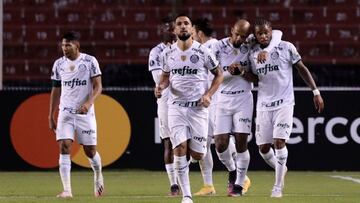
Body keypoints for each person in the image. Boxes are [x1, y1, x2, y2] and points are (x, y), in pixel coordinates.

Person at [241, 18, 324, 198]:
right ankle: (282, 167)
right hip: (264, 104)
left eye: (266, 32)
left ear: (271, 31)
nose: (263, 36)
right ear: (255, 35)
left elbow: (301, 68)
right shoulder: (252, 52)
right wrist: (241, 72)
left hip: (285, 102)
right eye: (259, 33)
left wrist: (315, 91)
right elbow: (256, 79)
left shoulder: (286, 47)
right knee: (263, 148)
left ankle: (277, 187)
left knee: (279, 143)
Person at [155, 14, 223, 203]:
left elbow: (219, 75)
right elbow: (165, 77)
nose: (183, 27)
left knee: (197, 154)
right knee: (179, 148)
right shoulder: (167, 54)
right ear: (174, 30)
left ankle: (191, 162)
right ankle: (186, 195)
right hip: (176, 108)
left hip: (198, 109)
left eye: (186, 24)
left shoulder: (202, 52)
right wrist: (160, 86)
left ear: (192, 29)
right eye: (179, 24)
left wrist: (208, 94)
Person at [212, 19, 283, 196]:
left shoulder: (250, 44)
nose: (240, 39)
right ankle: (232, 169)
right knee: (220, 145)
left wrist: (243, 72)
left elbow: (278, 34)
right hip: (222, 100)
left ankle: (238, 185)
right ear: (231, 30)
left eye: (243, 36)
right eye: (237, 34)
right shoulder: (218, 47)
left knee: (242, 142)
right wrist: (230, 72)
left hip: (243, 100)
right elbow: (213, 73)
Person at [48, 31, 104, 198]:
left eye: (68, 45)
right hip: (65, 112)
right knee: (64, 145)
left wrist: (88, 103)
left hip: (84, 114)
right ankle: (67, 191)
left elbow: (98, 86)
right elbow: (56, 89)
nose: (64, 48)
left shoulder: (89, 61)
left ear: (77, 45)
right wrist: (50, 114)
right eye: (63, 45)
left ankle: (98, 174)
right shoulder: (58, 64)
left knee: (90, 151)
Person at [148, 17, 180, 196]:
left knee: (187, 143)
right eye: (166, 27)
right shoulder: (156, 52)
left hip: (186, 100)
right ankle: (174, 185)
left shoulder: (186, 49)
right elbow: (158, 79)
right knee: (169, 141)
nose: (169, 29)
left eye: (172, 27)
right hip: (166, 101)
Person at [191, 17, 218, 196]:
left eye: (193, 32)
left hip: (215, 102)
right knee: (205, 144)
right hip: (208, 102)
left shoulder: (211, 47)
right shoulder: (214, 46)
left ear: (199, 33)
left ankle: (241, 176)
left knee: (220, 142)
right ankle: (208, 185)